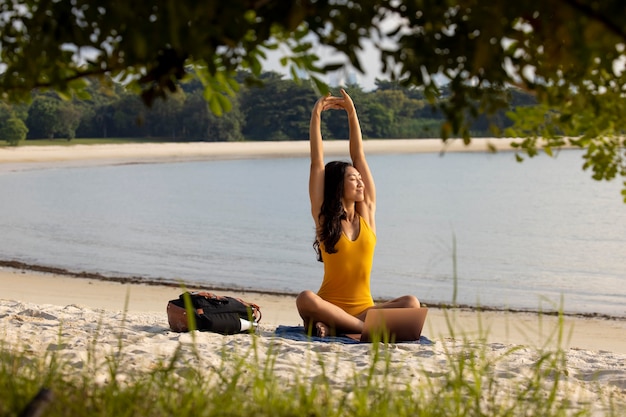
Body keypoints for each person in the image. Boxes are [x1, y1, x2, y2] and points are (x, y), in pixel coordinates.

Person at [296, 89, 420, 337]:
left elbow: (358, 156)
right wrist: (316, 116)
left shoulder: (367, 217)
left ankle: (337, 328)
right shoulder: (324, 218)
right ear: (339, 186)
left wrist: (352, 114)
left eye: (360, 178)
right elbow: (317, 163)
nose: (361, 182)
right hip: (328, 306)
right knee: (305, 299)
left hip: (364, 309)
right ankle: (359, 329)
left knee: (411, 303)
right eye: (354, 179)